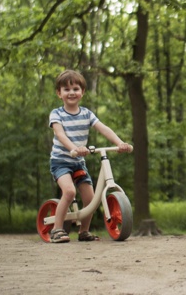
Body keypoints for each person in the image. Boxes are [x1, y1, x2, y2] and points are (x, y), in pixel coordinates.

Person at [48, 69, 131, 243]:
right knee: (69, 192)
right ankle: (56, 230)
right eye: (66, 89)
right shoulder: (57, 114)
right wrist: (74, 148)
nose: (72, 92)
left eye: (76, 88)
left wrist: (119, 143)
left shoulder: (86, 114)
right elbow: (60, 135)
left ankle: (83, 231)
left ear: (82, 92)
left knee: (90, 199)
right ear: (59, 93)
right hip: (61, 162)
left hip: (78, 163)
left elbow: (103, 128)